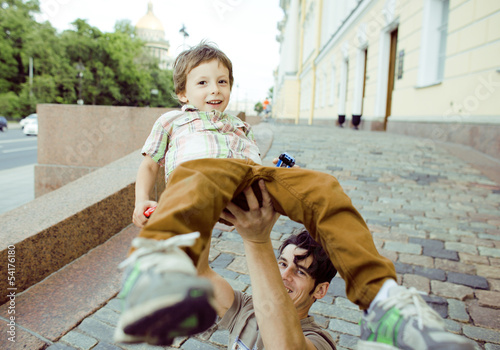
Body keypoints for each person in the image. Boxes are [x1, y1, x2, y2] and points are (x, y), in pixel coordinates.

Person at [114, 42, 474, 350]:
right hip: (201, 183)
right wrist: (142, 201)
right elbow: (149, 164)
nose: (215, 89)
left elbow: (251, 162)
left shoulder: (239, 124)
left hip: (246, 179)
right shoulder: (172, 121)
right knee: (197, 175)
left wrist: (272, 174)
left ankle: (383, 300)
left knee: (323, 186)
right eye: (203, 82)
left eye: (222, 81)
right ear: (182, 93)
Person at [198, 180, 337, 349]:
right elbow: (199, 274)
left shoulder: (319, 342)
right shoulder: (246, 308)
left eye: (300, 272)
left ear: (320, 290)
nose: (285, 276)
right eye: (283, 264)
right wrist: (199, 211)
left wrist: (256, 239)